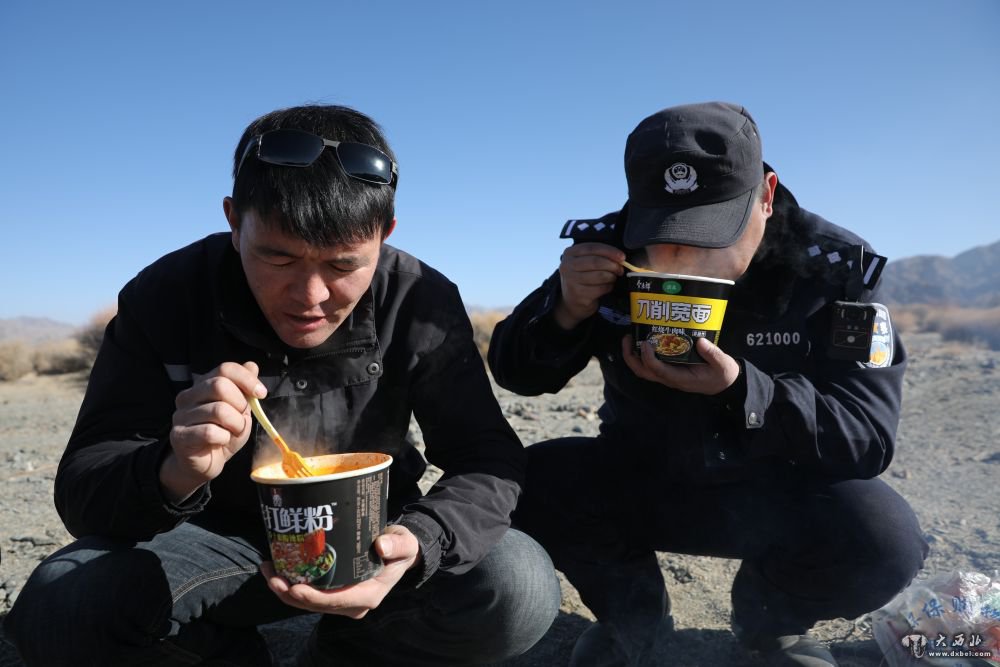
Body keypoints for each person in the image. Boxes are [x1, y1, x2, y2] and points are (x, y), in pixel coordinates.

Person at [5, 104, 560, 666]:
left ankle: (348, 652)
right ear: (233, 220)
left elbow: (486, 456)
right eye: (277, 258)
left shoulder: (418, 297)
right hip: (213, 542)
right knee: (63, 604)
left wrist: (415, 542)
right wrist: (176, 468)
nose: (310, 296)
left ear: (385, 233)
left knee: (517, 583)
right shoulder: (165, 295)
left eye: (344, 266)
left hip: (373, 536)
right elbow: (85, 488)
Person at [488, 101, 928, 667]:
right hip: (645, 473)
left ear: (765, 195)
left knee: (883, 537)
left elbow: (867, 437)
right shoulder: (611, 250)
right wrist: (566, 309)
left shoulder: (834, 272)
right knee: (525, 483)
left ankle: (768, 626)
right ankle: (635, 622)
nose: (681, 258)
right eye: (664, 234)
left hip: (780, 492)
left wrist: (744, 390)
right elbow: (517, 374)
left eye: (708, 234)